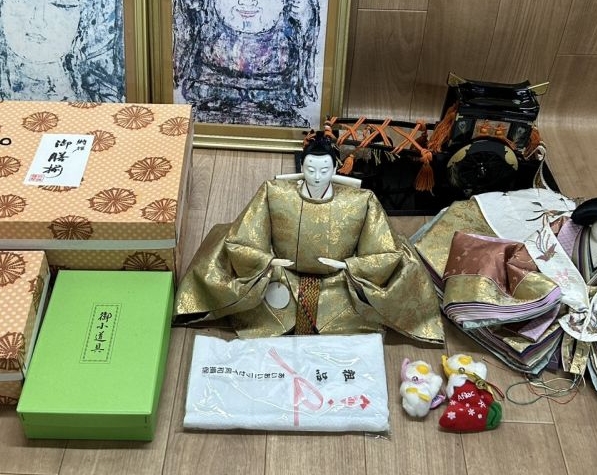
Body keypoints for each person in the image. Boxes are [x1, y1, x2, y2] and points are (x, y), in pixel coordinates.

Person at [413, 188, 597, 399]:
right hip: (556, 297)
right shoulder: (563, 232)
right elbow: (524, 262)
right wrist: (552, 293)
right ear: (590, 224)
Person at [175, 131, 443, 343]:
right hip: (280, 275)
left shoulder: (361, 201)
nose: (316, 177)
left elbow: (383, 251)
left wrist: (350, 265)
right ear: (302, 165)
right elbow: (243, 238)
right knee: (221, 256)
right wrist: (267, 261)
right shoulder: (275, 192)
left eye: (324, 170)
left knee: (403, 269)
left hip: (340, 282)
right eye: (310, 169)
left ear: (336, 168)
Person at [172, 0, 320, 126]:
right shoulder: (207, 32)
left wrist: (306, 18)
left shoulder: (286, 39)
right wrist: (189, 6)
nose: (248, 1)